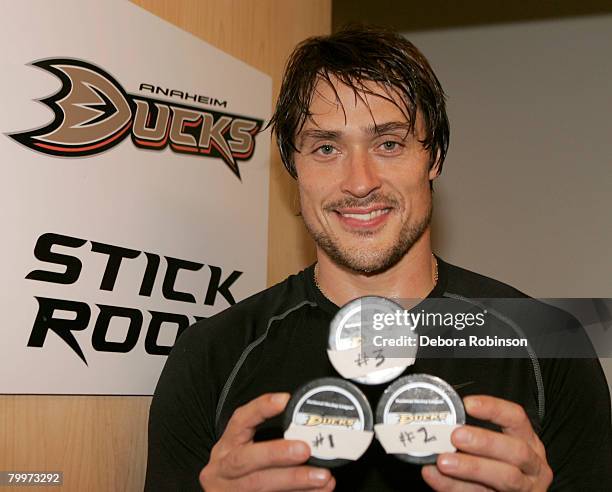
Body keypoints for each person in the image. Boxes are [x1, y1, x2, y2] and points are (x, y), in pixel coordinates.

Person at [145, 27, 611, 491]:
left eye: (388, 143)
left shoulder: (550, 343)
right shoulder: (211, 355)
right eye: (326, 148)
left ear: (434, 158)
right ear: (294, 166)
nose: (360, 182)